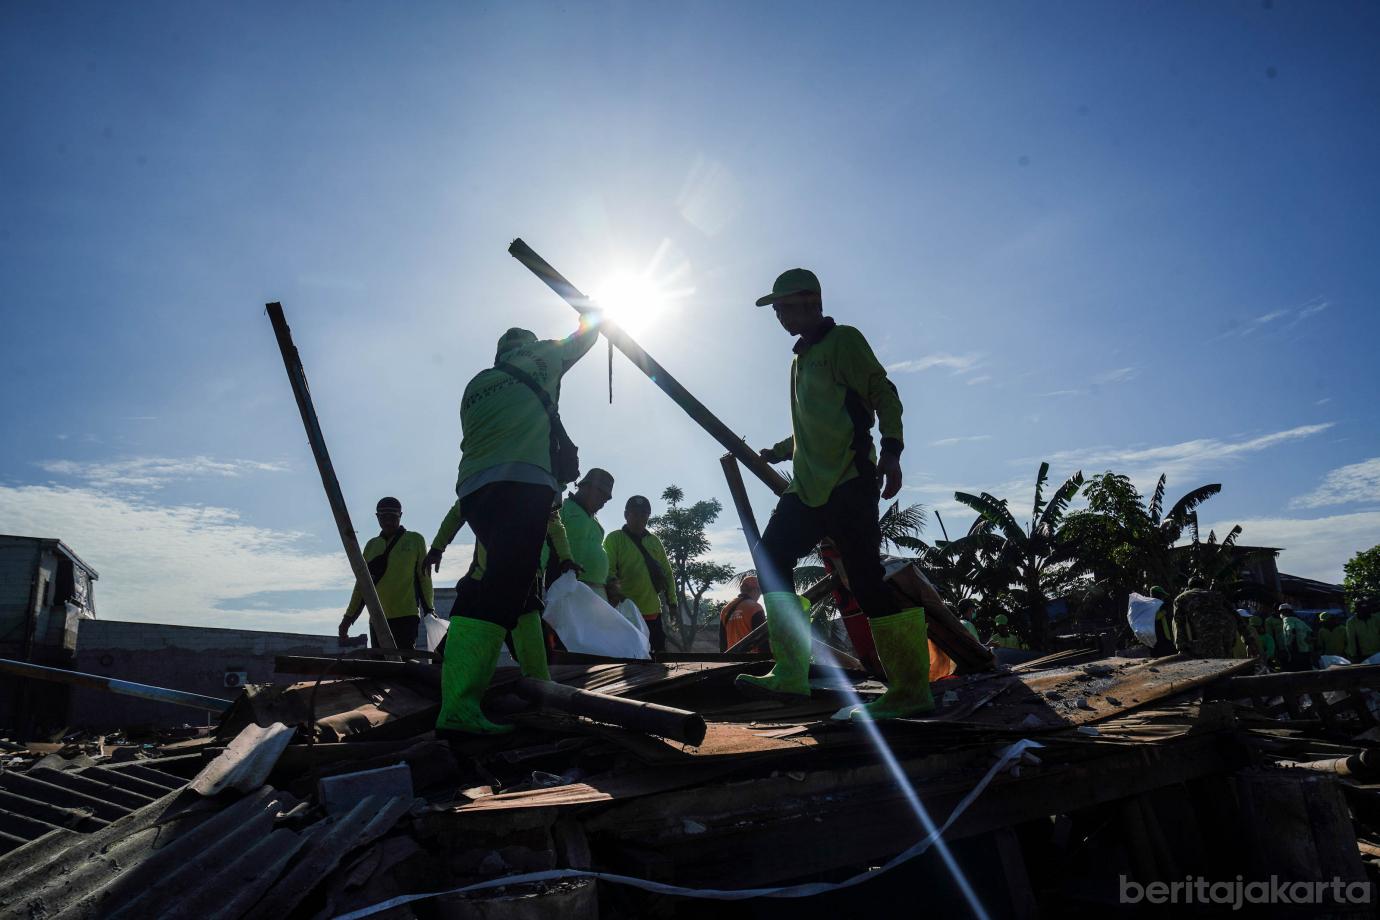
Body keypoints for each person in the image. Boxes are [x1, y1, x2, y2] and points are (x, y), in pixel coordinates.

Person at [737, 267, 928, 722]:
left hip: (849, 481)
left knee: (865, 580)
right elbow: (811, 427)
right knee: (770, 558)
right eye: (776, 309)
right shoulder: (799, 360)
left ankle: (909, 690)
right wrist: (777, 451)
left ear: (811, 303)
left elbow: (884, 394)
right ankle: (791, 671)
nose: (779, 316)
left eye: (784, 307)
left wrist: (892, 452)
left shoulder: (844, 341)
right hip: (807, 489)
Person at [436, 318, 600, 736]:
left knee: (520, 593)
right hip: (523, 484)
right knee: (501, 591)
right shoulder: (545, 353)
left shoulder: (477, 383)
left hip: (474, 489)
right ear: (529, 346)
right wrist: (591, 311)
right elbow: (587, 335)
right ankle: (459, 708)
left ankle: (539, 684)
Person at [339, 497, 434, 651]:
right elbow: (361, 586)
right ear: (377, 517)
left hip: (406, 616)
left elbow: (424, 578)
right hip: (377, 618)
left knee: (404, 662)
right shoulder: (371, 546)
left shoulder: (415, 540)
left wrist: (429, 609)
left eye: (392, 517)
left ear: (400, 516)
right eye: (383, 517)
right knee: (381, 664)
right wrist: (348, 618)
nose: (388, 522)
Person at [604, 495, 678, 653]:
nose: (639, 518)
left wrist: (672, 603)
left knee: (658, 658)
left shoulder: (654, 541)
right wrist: (616, 593)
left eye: (644, 514)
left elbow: (667, 573)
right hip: (626, 614)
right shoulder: (614, 539)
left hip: (653, 614)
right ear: (626, 515)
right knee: (628, 659)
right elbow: (608, 570)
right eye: (635, 514)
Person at [559, 468, 615, 598]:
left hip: (598, 592)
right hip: (569, 587)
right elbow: (545, 542)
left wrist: (609, 579)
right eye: (600, 495)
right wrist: (539, 573)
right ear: (584, 486)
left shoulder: (597, 525)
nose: (602, 502)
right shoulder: (563, 509)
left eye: (605, 500)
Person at [1173, 577, 1245, 659]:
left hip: (1206, 633)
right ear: (1204, 586)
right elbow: (1236, 616)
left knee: (1212, 660)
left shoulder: (1181, 598)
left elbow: (1179, 623)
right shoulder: (1217, 595)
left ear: (1189, 587)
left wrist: (1181, 647)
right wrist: (1249, 641)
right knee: (1226, 658)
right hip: (1227, 631)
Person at [720, 575, 767, 652]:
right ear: (755, 590)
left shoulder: (725, 609)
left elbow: (723, 642)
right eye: (759, 593)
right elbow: (762, 639)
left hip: (731, 657)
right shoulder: (755, 607)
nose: (759, 596)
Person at [1279, 605, 1315, 671]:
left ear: (1283, 613)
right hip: (1305, 650)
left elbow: (1291, 632)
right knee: (1307, 670)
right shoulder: (1300, 621)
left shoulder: (1287, 620)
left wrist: (1290, 647)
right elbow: (1310, 631)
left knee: (1297, 671)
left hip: (1295, 651)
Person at [1346, 596, 1380, 661]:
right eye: (1362, 609)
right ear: (1357, 610)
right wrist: (1353, 655)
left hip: (1378, 652)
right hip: (1363, 655)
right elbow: (1351, 639)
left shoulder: (1376, 618)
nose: (1365, 610)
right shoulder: (1351, 622)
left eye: (1366, 608)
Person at [1149, 586, 1176, 655]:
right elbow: (1156, 617)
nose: (1163, 597)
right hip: (1160, 638)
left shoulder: (1155, 604)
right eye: (1162, 595)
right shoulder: (1153, 605)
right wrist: (1165, 611)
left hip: (1162, 638)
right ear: (1158, 595)